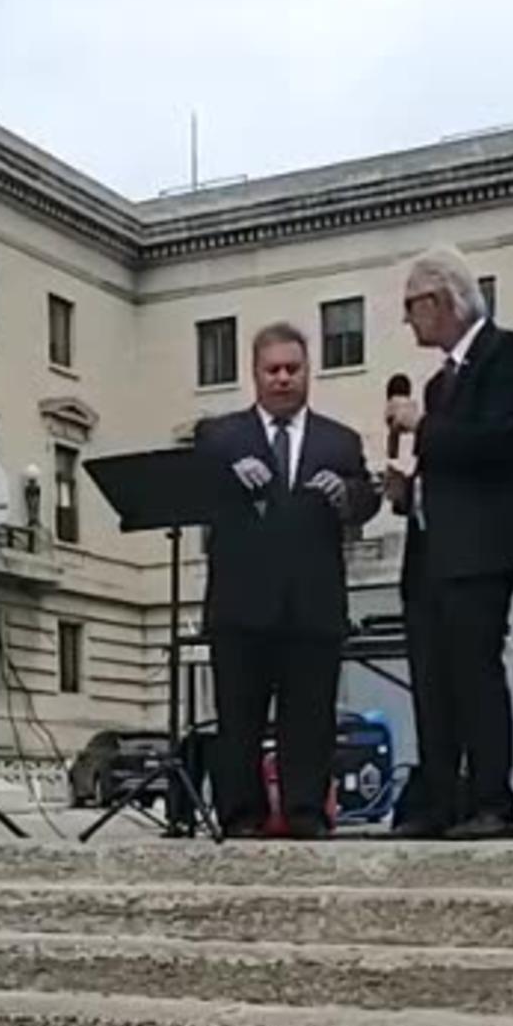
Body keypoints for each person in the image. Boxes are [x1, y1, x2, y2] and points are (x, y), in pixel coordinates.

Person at [193, 322, 379, 839]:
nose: (282, 379)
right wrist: (228, 473)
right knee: (239, 721)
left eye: (292, 369)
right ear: (254, 374)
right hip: (240, 605)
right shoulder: (220, 437)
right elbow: (191, 490)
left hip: (312, 606)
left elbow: (368, 499)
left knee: (310, 722)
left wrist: (346, 494)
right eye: (272, 370)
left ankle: (306, 814)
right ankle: (241, 816)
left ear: (307, 373)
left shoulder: (338, 441)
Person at [385, 246, 513, 842]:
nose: (408, 321)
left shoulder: (509, 354)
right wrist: (408, 487)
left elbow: (499, 441)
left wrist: (421, 427)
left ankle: (491, 800)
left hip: (481, 549)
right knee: (431, 676)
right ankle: (438, 799)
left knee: (475, 671)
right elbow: (450, 458)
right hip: (430, 551)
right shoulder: (437, 383)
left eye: (411, 306)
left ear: (441, 299)